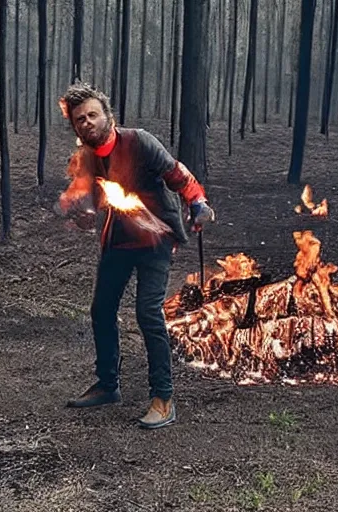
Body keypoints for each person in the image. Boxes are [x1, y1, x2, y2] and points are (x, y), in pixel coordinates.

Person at [58, 83, 215, 429]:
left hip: (155, 238)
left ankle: (163, 397)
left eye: (92, 115)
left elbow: (178, 174)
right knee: (101, 309)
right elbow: (93, 200)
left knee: (147, 312)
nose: (86, 123)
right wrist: (84, 214)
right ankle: (108, 385)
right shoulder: (87, 157)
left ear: (107, 115)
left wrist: (199, 203)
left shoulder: (140, 141)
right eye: (79, 120)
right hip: (118, 241)